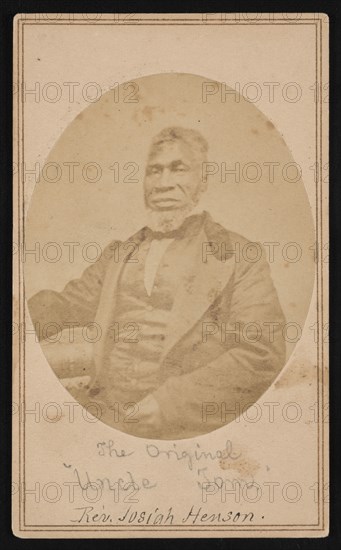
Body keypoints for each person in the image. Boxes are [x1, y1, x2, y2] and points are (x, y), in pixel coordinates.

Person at [28, 126, 286, 439]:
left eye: (178, 169)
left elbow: (261, 354)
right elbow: (63, 306)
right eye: (154, 171)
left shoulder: (239, 256)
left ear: (202, 181)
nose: (163, 183)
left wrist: (169, 405)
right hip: (106, 419)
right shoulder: (119, 255)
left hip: (185, 429)